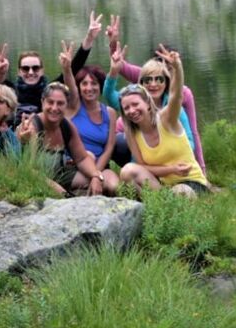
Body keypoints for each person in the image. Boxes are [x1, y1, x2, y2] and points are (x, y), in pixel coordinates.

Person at [105, 15, 206, 177]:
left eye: (160, 77)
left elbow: (192, 133)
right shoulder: (145, 81)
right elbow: (119, 67)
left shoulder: (180, 98)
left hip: (171, 147)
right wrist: (113, 44)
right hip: (135, 143)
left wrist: (201, 167)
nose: (153, 83)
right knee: (122, 143)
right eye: (148, 80)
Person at [0, 12, 104, 111]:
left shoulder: (51, 91)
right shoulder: (11, 91)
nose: (31, 72)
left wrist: (89, 38)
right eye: (25, 69)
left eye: (35, 68)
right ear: (19, 71)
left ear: (42, 70)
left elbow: (74, 69)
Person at [114, 45, 210, 198]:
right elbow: (142, 167)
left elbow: (176, 97)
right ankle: (157, 205)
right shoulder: (131, 131)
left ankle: (162, 205)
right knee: (127, 171)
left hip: (190, 182)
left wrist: (177, 69)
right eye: (127, 108)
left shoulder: (166, 119)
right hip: (162, 185)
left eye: (135, 105)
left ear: (147, 103)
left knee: (180, 193)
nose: (132, 110)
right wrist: (171, 169)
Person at [16, 81, 115, 196]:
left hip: (60, 174)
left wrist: (96, 176)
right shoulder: (33, 126)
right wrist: (62, 192)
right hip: (34, 179)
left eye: (60, 103)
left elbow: (82, 158)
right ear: (42, 102)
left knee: (102, 183)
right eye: (50, 102)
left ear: (67, 105)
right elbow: (30, 171)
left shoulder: (66, 125)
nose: (54, 108)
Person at [58, 43, 130, 172]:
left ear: (100, 86)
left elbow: (109, 148)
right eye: (84, 84)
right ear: (79, 87)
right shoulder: (73, 105)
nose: (89, 88)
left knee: (113, 185)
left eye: (94, 84)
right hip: (74, 165)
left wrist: (96, 173)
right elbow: (70, 85)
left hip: (99, 165)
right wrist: (67, 69)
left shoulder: (110, 113)